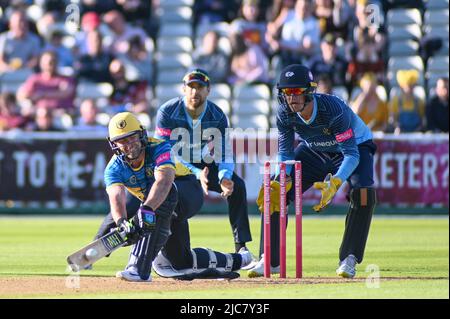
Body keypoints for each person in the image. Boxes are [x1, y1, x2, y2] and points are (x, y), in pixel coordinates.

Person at [247, 64, 377, 278]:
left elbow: (351, 154)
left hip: (355, 147)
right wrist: (283, 178)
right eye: (287, 92)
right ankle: (269, 260)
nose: (292, 98)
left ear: (309, 91)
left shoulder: (332, 109)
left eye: (297, 91)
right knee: (274, 191)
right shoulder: (284, 113)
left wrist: (336, 182)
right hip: (314, 149)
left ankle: (349, 259)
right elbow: (285, 153)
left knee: (363, 194)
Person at [96, 112, 252, 282]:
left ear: (142, 135)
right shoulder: (113, 167)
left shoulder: (159, 148)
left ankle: (138, 268)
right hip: (162, 207)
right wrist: (121, 223)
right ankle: (240, 259)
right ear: (114, 144)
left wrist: (146, 211)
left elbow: (164, 181)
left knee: (156, 202)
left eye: (132, 138)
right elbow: (117, 196)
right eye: (123, 141)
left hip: (187, 191)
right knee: (180, 261)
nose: (129, 145)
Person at [154, 69, 254, 257]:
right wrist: (195, 173)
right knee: (169, 195)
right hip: (171, 165)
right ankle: (159, 243)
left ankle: (241, 247)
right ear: (183, 89)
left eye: (200, 87)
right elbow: (164, 152)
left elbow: (225, 152)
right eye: (191, 87)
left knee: (237, 186)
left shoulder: (217, 115)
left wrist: (225, 177)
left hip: (202, 163)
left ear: (208, 90)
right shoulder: (167, 111)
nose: (195, 92)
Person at [389, 69, 425, 133]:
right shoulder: (396, 101)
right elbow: (393, 119)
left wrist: (419, 129)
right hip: (401, 134)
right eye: (409, 86)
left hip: (415, 134)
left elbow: (422, 120)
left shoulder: (419, 101)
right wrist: (397, 127)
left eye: (413, 85)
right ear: (402, 87)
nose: (411, 88)